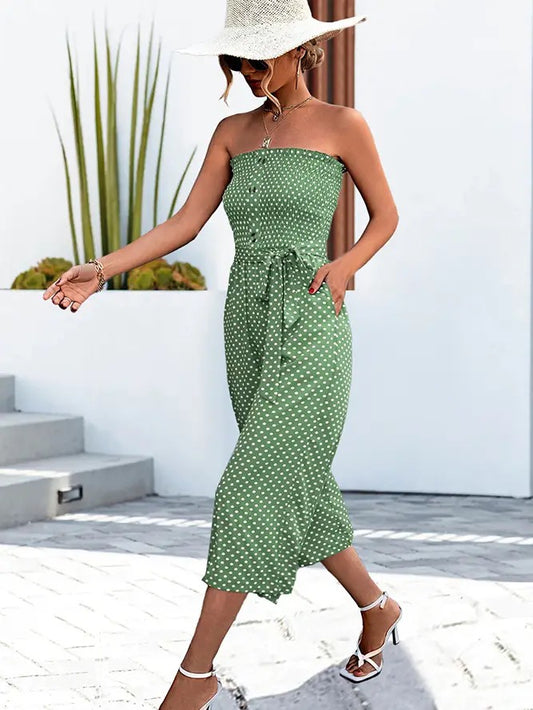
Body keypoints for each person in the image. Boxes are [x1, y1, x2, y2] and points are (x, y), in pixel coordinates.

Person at [43, 1, 403, 707]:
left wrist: (345, 265)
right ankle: (377, 609)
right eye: (236, 61)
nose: (247, 71)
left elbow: (385, 216)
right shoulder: (231, 132)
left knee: (250, 488)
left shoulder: (343, 125)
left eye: (258, 59)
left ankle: (195, 677)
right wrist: (102, 269)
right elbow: (185, 222)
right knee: (294, 482)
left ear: (299, 51)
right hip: (247, 322)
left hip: (311, 319)